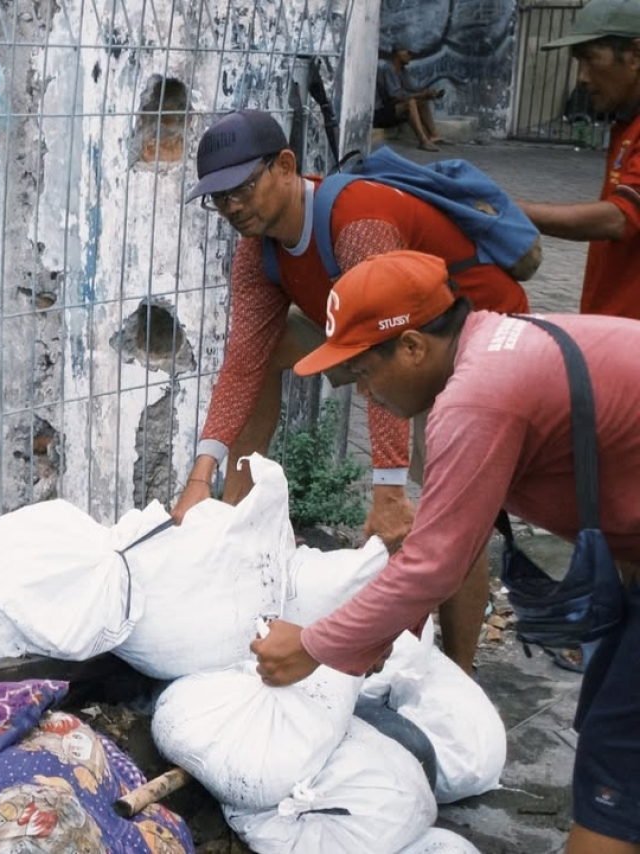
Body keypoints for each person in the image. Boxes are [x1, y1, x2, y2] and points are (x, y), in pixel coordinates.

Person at [251, 249, 640, 854]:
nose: (366, 394)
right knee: (608, 728)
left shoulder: (477, 398)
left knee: (614, 776)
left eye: (363, 373)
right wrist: (374, 636)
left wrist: (311, 645)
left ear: (411, 347)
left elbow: (433, 565)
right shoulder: (496, 346)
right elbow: (449, 538)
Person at [175, 109, 530, 675]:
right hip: (386, 339)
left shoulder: (355, 220)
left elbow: (389, 353)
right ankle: (233, 509)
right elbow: (242, 364)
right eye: (218, 199)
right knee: (265, 350)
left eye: (242, 188)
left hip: (469, 339)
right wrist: (200, 478)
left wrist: (388, 491)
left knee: (453, 511)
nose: (232, 207)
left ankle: (459, 673)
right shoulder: (258, 250)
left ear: (285, 166)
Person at [518, 0, 640, 321]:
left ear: (635, 56)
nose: (582, 78)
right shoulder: (627, 123)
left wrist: (504, 208)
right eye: (578, 62)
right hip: (613, 325)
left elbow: (619, 218)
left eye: (590, 59)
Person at [375, 46, 447, 151]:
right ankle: (423, 141)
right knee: (411, 103)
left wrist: (428, 93)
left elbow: (413, 89)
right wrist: (420, 95)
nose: (411, 56)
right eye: (408, 53)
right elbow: (395, 96)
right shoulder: (388, 69)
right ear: (398, 53)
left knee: (422, 102)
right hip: (380, 114)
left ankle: (435, 135)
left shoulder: (402, 71)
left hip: (393, 111)